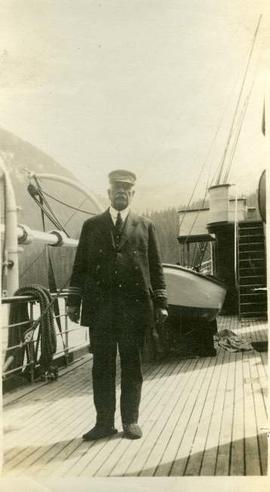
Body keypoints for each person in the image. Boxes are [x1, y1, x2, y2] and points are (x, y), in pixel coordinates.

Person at [67, 170, 168, 440]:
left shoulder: (146, 226)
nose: (121, 192)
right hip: (101, 311)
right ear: (109, 193)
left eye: (126, 189)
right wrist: (73, 300)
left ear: (132, 194)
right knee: (101, 367)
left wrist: (161, 302)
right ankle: (104, 423)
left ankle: (131, 421)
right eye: (116, 188)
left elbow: (155, 268)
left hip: (134, 310)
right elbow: (80, 267)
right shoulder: (92, 226)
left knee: (132, 366)